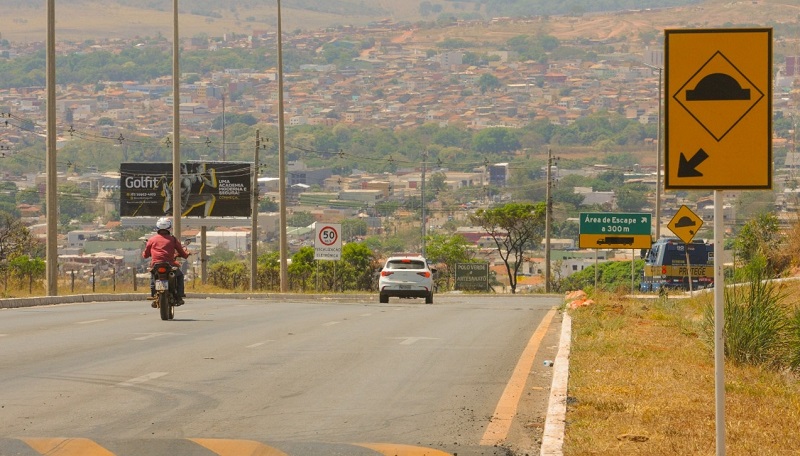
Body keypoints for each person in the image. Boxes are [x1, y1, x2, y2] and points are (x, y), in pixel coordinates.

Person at [142, 217, 190, 306]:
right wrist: (186, 254)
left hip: (156, 265)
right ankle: (179, 296)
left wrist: (147, 253)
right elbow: (183, 253)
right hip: (169, 264)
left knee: (153, 275)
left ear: (157, 227)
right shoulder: (173, 239)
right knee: (180, 276)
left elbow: (145, 255)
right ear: (170, 228)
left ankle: (153, 294)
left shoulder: (151, 240)